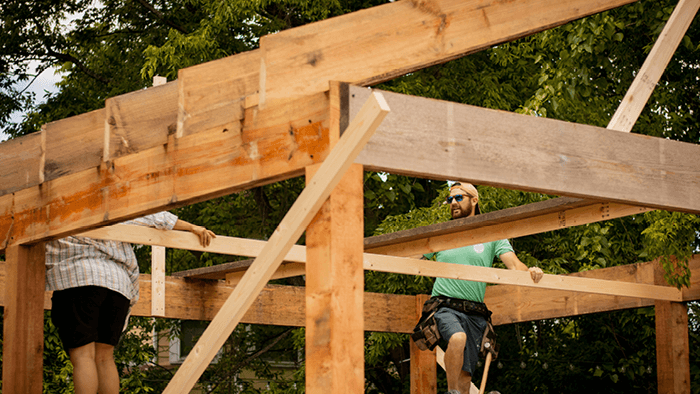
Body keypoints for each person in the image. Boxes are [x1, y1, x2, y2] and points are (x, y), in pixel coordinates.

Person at [45, 212, 216, 394]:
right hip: (118, 285)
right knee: (104, 358)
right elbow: (154, 217)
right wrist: (192, 227)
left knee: (83, 357)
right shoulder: (108, 208)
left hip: (79, 279)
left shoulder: (57, 209)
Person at [424, 183, 543, 394]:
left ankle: (458, 390)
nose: (453, 203)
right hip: (445, 304)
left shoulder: (491, 235)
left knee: (466, 375)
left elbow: (515, 266)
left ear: (474, 200)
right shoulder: (441, 234)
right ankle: (451, 393)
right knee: (457, 338)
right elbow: (409, 255)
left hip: (474, 311)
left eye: (459, 198)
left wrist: (531, 271)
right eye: (450, 200)